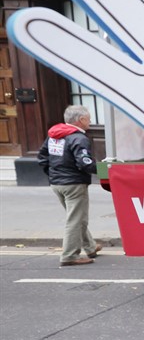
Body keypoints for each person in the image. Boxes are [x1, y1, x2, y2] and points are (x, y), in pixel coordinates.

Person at [38, 105, 101, 267]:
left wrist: (54, 175)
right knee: (75, 219)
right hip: (74, 184)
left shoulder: (54, 136)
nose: (90, 121)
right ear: (81, 120)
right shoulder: (79, 138)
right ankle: (69, 256)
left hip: (57, 183)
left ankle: (90, 247)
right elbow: (84, 163)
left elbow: (42, 158)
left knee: (77, 217)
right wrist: (103, 171)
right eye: (88, 118)